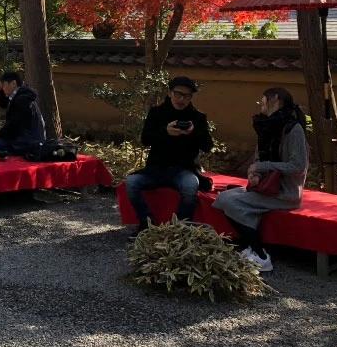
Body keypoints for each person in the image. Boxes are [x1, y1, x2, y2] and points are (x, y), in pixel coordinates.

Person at [212, 86, 310, 274]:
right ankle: (250, 248)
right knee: (224, 197)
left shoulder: (293, 128)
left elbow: (298, 166)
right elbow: (259, 158)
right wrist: (255, 174)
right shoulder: (266, 125)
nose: (260, 103)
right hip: (265, 187)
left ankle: (261, 256)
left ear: (274, 98)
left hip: (285, 192)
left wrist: (262, 167)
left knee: (230, 202)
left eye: (263, 99)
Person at [123, 75, 214, 236]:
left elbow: (207, 146)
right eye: (178, 94)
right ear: (170, 93)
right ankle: (146, 225)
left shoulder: (197, 117)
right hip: (156, 168)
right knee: (131, 182)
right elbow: (145, 139)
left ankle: (179, 229)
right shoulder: (156, 113)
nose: (182, 100)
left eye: (187, 96)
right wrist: (165, 131)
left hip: (185, 169)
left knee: (190, 186)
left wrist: (194, 132)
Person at [0, 71, 45, 159]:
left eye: (4, 85)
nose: (3, 88)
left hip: (25, 144)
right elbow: (3, 103)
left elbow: (13, 127)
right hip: (25, 140)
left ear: (13, 83)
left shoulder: (22, 100)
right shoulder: (22, 96)